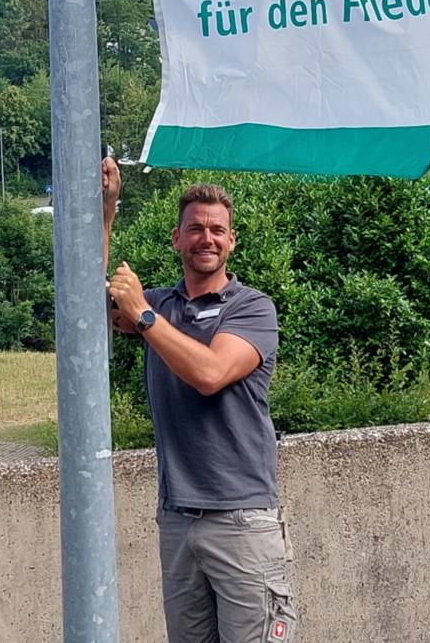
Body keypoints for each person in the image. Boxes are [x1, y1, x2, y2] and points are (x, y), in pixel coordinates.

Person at [102, 156, 296, 643]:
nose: (205, 238)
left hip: (243, 519)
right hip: (177, 517)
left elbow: (209, 374)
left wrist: (143, 316)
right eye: (194, 229)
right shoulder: (163, 305)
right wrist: (106, 211)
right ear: (177, 239)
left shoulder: (252, 308)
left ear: (232, 241)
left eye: (216, 230)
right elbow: (84, 302)